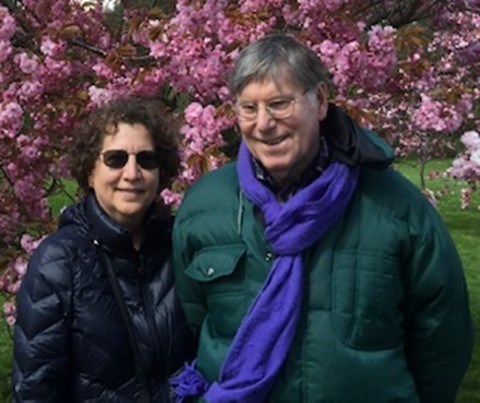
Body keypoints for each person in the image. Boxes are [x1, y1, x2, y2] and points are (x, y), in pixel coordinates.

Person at [170, 33, 474, 403]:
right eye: (248, 108)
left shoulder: (393, 204)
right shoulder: (205, 204)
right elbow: (193, 319)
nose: (263, 123)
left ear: (321, 102)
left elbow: (441, 333)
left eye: (279, 104)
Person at [12, 96, 195, 402]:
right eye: (115, 159)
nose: (132, 173)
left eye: (146, 160)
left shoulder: (182, 244)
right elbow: (35, 388)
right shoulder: (59, 262)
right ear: (90, 172)